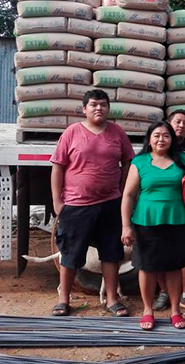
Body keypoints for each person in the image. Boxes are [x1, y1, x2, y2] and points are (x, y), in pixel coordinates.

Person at [50, 89, 134, 317]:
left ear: (108, 109)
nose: (99, 108)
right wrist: (57, 202)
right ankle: (63, 299)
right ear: (84, 109)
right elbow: (57, 167)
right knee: (70, 254)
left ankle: (112, 300)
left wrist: (123, 191)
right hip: (76, 205)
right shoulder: (72, 132)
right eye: (94, 105)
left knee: (111, 253)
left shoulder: (117, 133)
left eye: (103, 105)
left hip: (110, 204)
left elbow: (128, 163)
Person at [121, 121, 185, 330]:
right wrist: (126, 226)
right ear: (149, 139)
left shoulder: (181, 160)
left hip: (177, 221)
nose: (161, 139)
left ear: (172, 140)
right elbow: (128, 195)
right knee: (147, 268)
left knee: (174, 268)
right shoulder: (140, 161)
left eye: (166, 136)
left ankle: (175, 311)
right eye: (156, 135)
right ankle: (148, 310)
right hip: (145, 222)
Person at [152, 110, 185, 315]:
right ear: (168, 123)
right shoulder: (158, 148)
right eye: (177, 122)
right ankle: (164, 293)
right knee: (159, 252)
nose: (181, 126)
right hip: (162, 210)